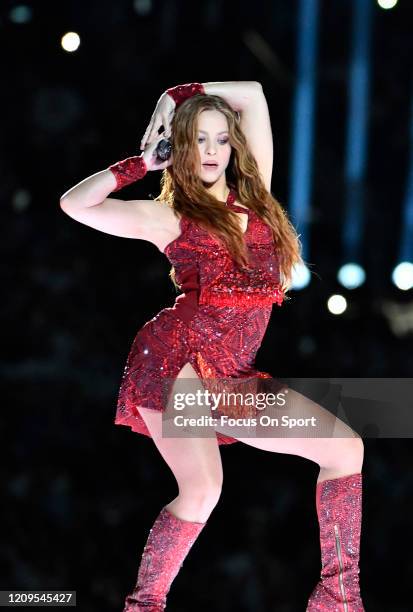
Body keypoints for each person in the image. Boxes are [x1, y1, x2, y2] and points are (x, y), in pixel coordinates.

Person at [60, 81, 365, 611]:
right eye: (198, 139)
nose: (210, 151)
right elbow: (74, 204)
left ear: (233, 147)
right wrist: (141, 163)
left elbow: (253, 93)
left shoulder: (258, 198)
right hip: (175, 358)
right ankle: (144, 606)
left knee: (346, 448)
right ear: (179, 146)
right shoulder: (169, 217)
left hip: (232, 371)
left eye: (220, 140)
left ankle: (337, 601)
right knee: (202, 491)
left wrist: (176, 95)